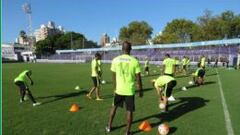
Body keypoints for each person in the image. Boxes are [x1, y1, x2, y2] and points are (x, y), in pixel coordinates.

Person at [105, 41, 143, 135]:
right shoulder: (134, 61)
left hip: (119, 89)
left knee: (114, 108)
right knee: (129, 111)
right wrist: (140, 90)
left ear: (122, 49)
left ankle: (109, 127)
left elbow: (113, 76)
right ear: (130, 49)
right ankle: (127, 132)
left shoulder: (115, 60)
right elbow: (138, 77)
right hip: (129, 91)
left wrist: (114, 88)